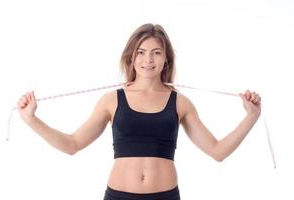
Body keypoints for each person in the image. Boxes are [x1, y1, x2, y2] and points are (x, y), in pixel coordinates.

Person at [17, 23, 261, 200]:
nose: (148, 59)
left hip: (165, 196)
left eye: (156, 52)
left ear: (166, 59)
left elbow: (217, 151)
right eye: (141, 52)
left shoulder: (180, 103)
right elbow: (72, 144)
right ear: (131, 58)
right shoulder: (111, 100)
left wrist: (251, 117)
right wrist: (32, 120)